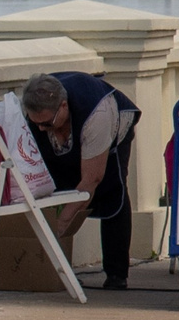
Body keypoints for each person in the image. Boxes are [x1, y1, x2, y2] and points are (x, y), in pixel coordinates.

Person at [20, 69, 142, 291]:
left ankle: (116, 273)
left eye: (46, 124)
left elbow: (91, 180)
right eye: (35, 123)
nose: (40, 129)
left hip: (112, 130)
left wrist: (59, 226)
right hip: (72, 133)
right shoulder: (37, 112)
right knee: (55, 185)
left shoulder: (98, 113)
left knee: (113, 191)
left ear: (63, 106)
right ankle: (57, 269)